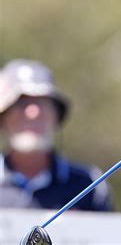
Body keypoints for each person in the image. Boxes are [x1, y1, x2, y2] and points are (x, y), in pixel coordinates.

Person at [0, 59, 113, 211]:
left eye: (43, 103)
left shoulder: (89, 184)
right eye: (21, 103)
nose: (34, 113)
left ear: (56, 116)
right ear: (3, 118)